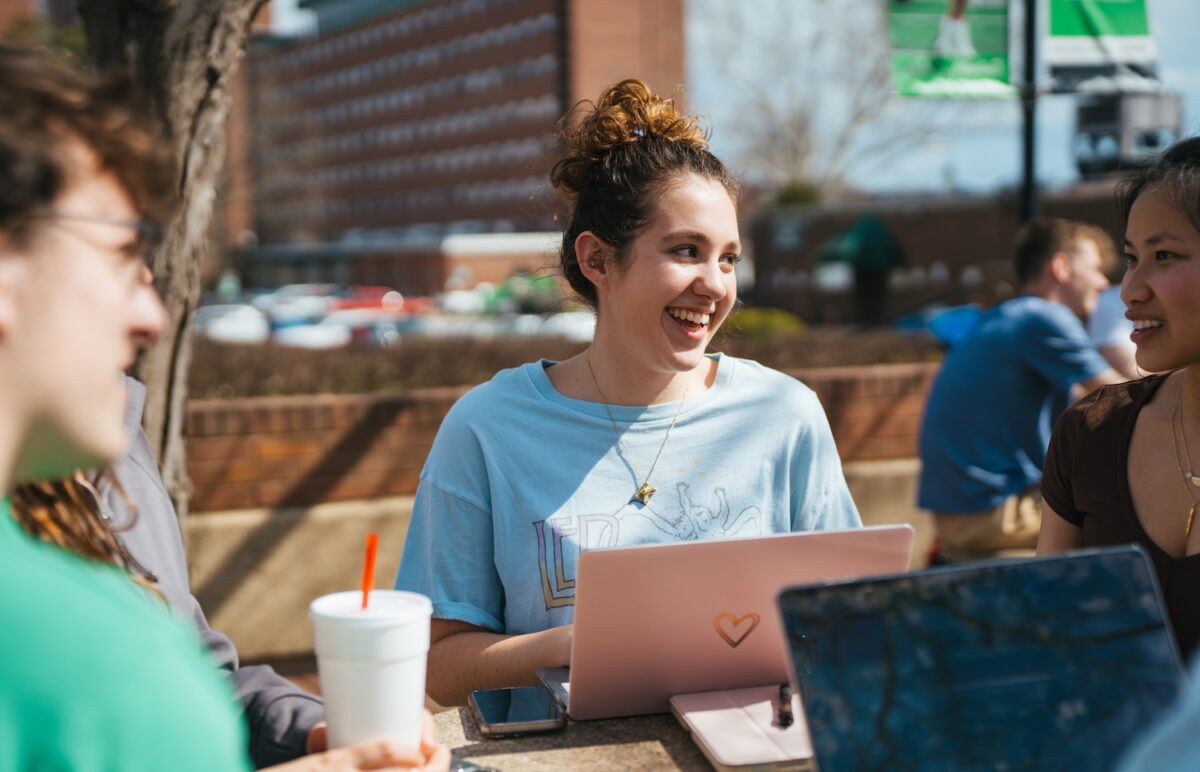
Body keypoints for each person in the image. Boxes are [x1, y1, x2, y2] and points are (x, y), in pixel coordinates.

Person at [0, 45, 446, 771]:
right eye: (119, 255)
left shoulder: (108, 445)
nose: (152, 316)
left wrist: (317, 747)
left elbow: (197, 676)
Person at [394, 79, 862, 707]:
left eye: (728, 259)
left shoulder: (785, 414)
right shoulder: (486, 428)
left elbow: (852, 618)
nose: (715, 285)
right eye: (685, 251)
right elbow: (436, 666)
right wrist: (572, 646)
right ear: (596, 260)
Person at [13, 376, 325, 768]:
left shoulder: (119, 438)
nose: (152, 320)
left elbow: (196, 677)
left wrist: (311, 729)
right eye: (111, 307)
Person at [1038, 137, 1200, 659]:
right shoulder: (1090, 432)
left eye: (1164, 255)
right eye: (1131, 258)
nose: (1129, 288)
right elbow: (1046, 644)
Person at [917, 218, 1121, 563]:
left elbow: (1085, 408)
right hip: (996, 512)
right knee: (1142, 508)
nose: (1104, 283)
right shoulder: (1044, 318)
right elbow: (1124, 400)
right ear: (1060, 267)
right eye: (1096, 269)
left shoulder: (1005, 318)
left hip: (958, 514)